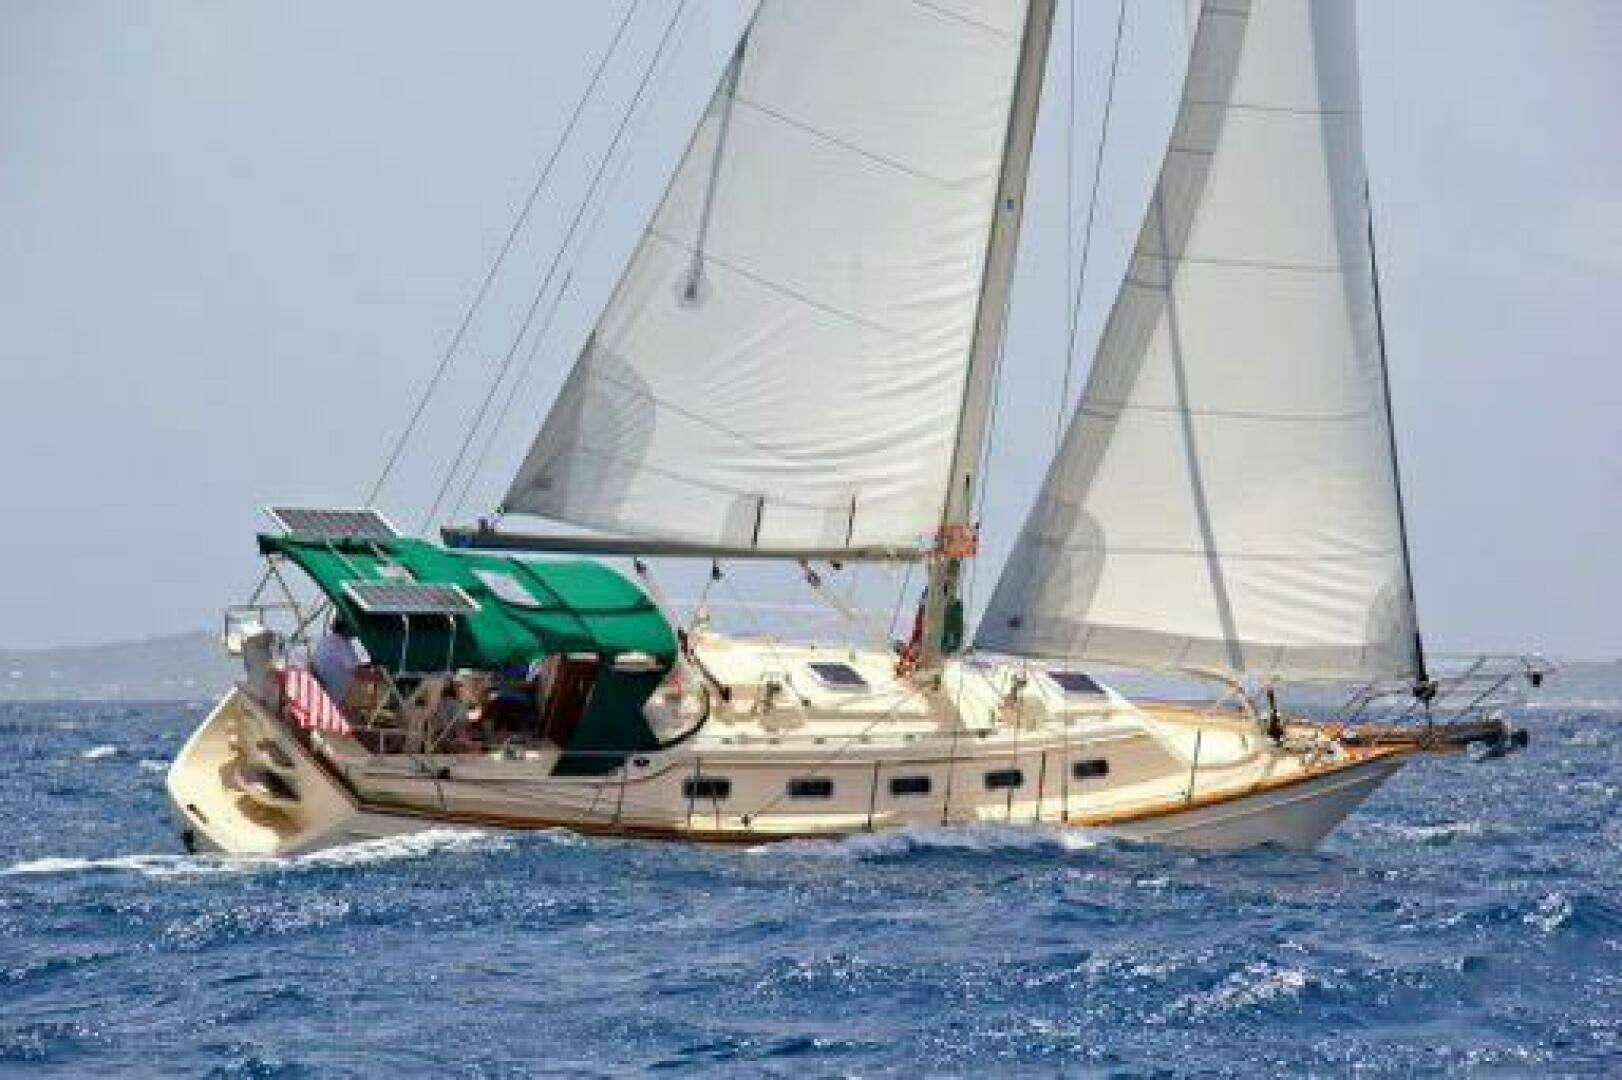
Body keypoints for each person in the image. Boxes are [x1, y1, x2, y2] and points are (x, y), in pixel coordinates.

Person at [311, 620, 367, 702]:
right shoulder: (341, 644)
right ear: (346, 628)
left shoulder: (326, 640)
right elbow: (356, 670)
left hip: (323, 692)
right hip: (329, 695)